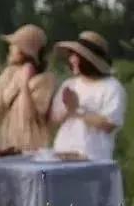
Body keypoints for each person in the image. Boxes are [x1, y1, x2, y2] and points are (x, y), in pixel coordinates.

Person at [50, 31, 126, 161]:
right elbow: (54, 119)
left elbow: (109, 124)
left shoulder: (112, 87)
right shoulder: (70, 84)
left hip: (93, 158)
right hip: (62, 153)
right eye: (71, 55)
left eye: (76, 55)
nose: (71, 59)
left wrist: (77, 110)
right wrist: (68, 108)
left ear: (88, 60)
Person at [0, 24, 57, 152]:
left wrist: (24, 85)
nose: (10, 48)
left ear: (26, 50)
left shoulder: (45, 80)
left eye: (14, 45)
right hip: (8, 144)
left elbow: (30, 116)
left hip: (32, 148)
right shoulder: (9, 74)